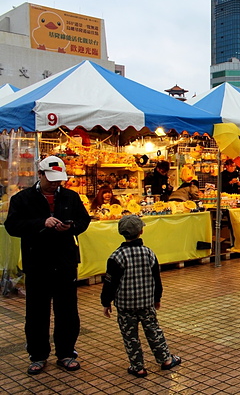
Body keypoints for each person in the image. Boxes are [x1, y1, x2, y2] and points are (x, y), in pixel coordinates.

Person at [4, 156, 91, 375]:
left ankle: (67, 353)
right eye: (51, 179)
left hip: (65, 262)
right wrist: (40, 223)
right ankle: (38, 355)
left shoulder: (71, 197)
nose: (55, 184)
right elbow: (12, 226)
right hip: (37, 263)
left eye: (58, 180)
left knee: (67, 311)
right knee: (36, 312)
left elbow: (84, 220)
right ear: (40, 174)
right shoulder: (22, 199)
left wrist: (70, 227)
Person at [100, 215, 182, 377]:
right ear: (141, 231)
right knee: (153, 330)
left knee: (130, 336)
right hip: (146, 303)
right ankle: (165, 359)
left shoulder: (116, 257)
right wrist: (157, 298)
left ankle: (138, 367)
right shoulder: (148, 253)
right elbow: (156, 279)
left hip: (125, 305)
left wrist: (106, 301)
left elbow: (110, 283)